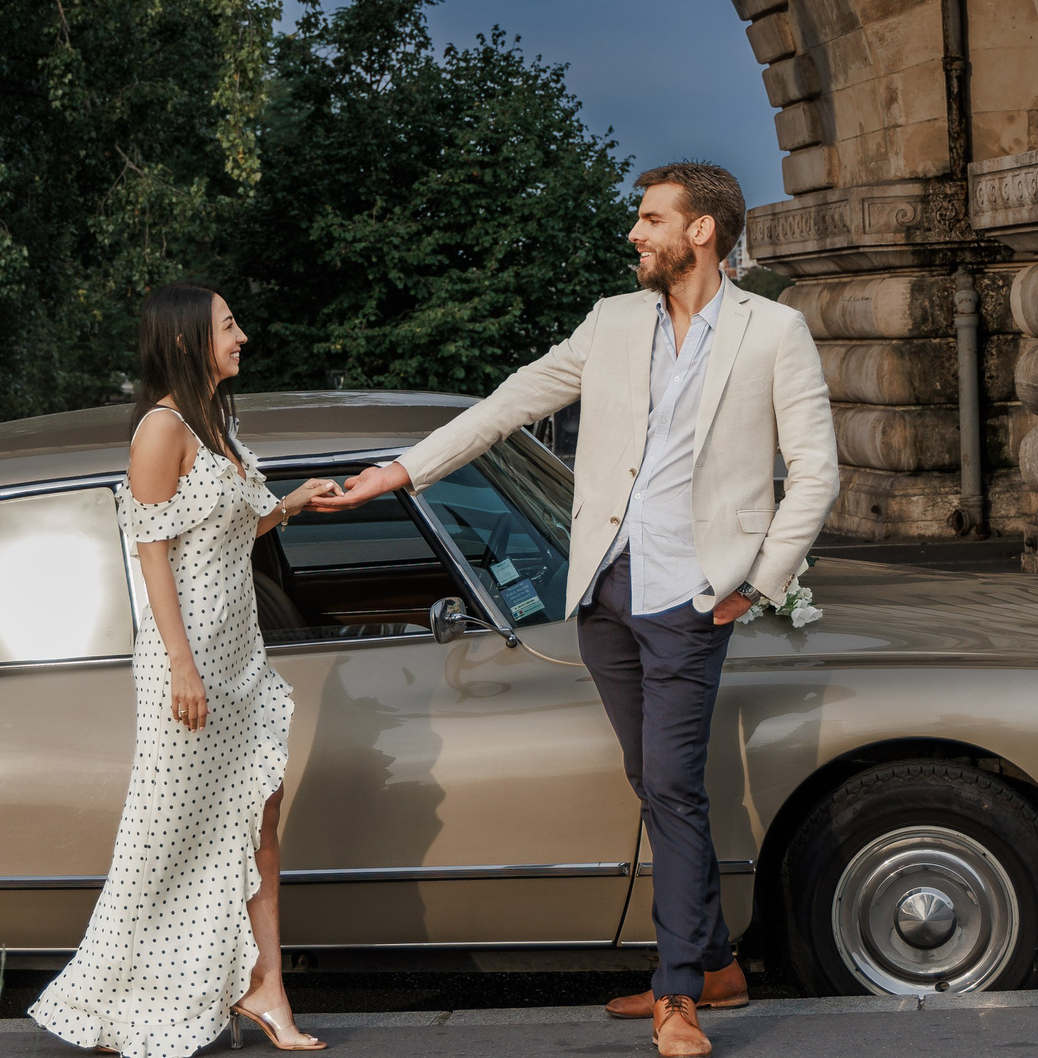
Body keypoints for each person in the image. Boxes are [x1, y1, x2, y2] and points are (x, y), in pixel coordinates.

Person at [314, 162, 838, 1058]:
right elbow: (509, 403)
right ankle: (713, 960)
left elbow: (816, 471)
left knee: (671, 786)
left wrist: (758, 582)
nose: (635, 234)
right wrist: (400, 472)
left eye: (650, 219)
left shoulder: (773, 333)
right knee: (656, 780)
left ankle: (679, 993)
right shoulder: (613, 320)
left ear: (701, 230)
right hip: (608, 591)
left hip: (693, 598)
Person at [30, 282, 337, 1056]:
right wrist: (180, 665)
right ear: (187, 340)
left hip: (240, 658)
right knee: (163, 833)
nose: (243, 335)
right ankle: (110, 1001)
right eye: (228, 325)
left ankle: (265, 987)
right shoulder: (160, 431)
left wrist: (294, 501)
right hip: (187, 659)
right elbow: (153, 553)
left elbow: (235, 524)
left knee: (260, 818)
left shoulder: (217, 424)